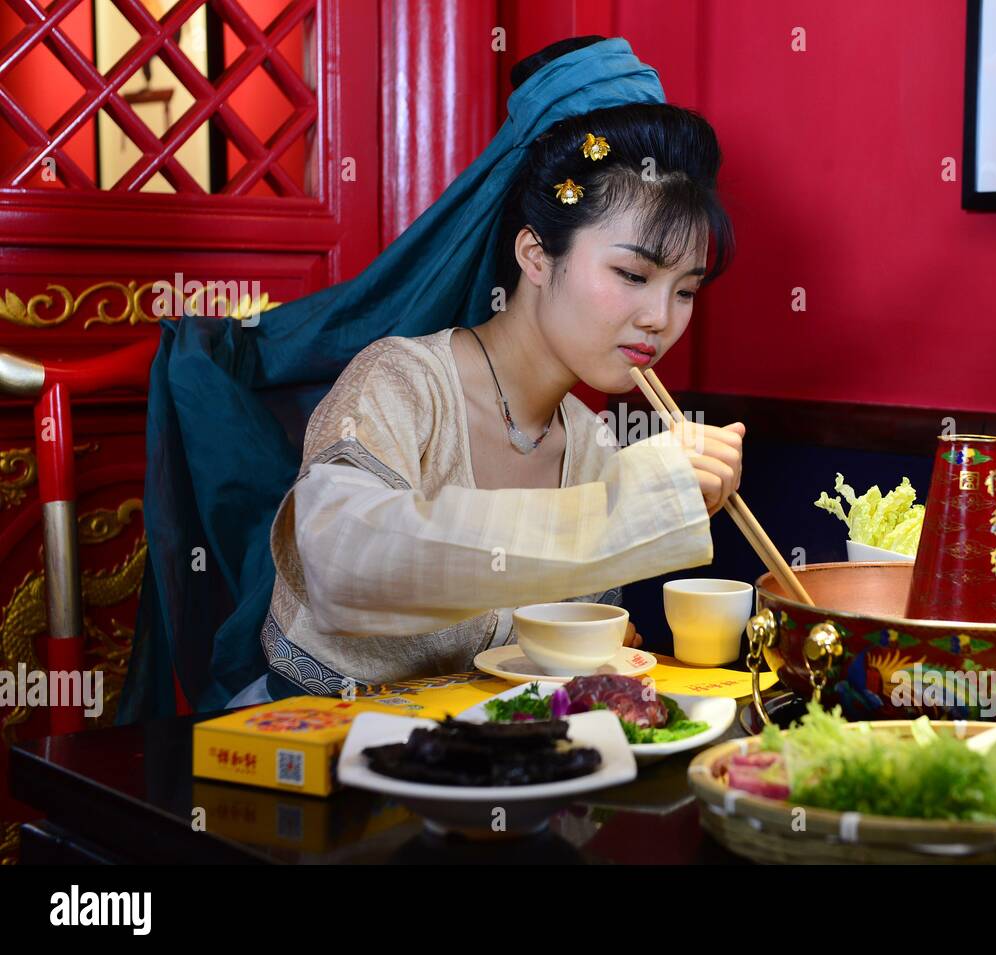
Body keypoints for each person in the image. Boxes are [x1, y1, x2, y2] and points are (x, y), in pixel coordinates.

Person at [118, 36, 743, 716]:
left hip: (487, 774)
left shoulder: (594, 444)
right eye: (631, 274)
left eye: (686, 290)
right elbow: (342, 560)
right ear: (536, 255)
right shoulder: (401, 382)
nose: (659, 318)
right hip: (314, 758)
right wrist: (630, 507)